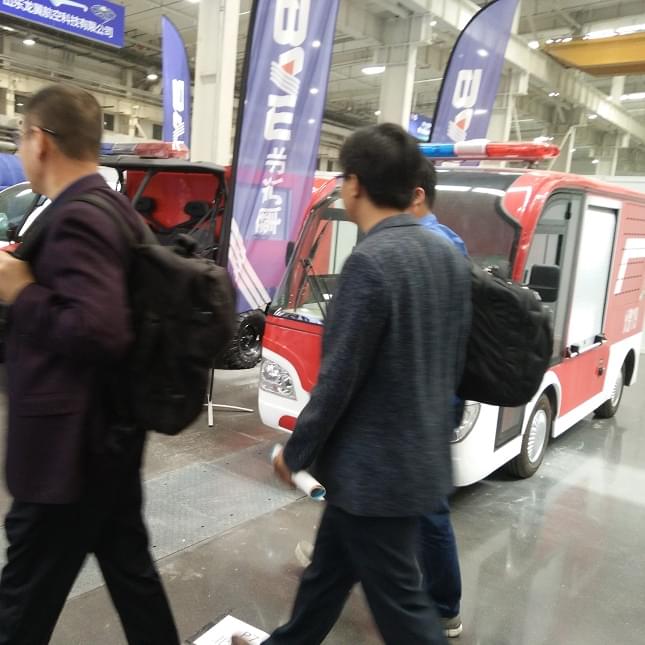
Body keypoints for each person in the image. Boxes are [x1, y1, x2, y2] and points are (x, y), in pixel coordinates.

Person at [235, 123, 471, 645]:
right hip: (410, 465)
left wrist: (296, 453)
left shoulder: (370, 262)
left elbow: (339, 378)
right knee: (325, 579)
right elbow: (454, 364)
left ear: (355, 184)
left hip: (375, 476)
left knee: (404, 611)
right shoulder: (447, 256)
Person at [0, 85, 179, 644]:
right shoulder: (110, 208)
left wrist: (21, 291)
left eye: (21, 139)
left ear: (40, 140)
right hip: (105, 440)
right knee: (131, 576)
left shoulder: (80, 217)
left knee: (22, 602)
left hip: (67, 456)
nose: (22, 150)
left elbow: (99, 329)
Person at [409, 159, 466, 638]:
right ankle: (336, 558)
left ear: (417, 194)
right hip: (434, 396)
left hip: (424, 401)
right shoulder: (448, 242)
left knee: (429, 509)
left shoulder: (428, 245)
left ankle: (445, 607)